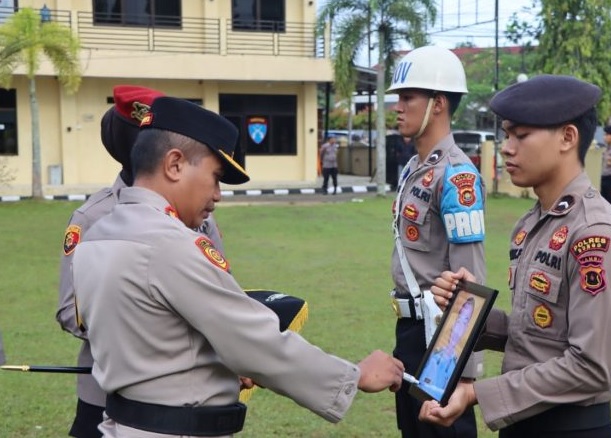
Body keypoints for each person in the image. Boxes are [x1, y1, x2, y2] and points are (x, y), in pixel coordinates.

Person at [72, 96, 404, 437]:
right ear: (174, 164)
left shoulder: (97, 236)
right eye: (215, 177)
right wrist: (356, 375)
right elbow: (253, 342)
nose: (217, 195)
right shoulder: (167, 244)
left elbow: (158, 337)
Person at [419, 75, 611, 438]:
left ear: (568, 139)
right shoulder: (533, 223)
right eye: (507, 135)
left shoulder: (596, 235)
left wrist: (477, 393)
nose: (507, 147)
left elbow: (591, 368)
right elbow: (535, 336)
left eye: (521, 136)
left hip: (569, 429)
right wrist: (466, 312)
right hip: (522, 423)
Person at [386, 45, 486, 438]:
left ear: (438, 103)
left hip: (442, 340)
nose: (398, 106)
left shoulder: (457, 176)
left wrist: (464, 371)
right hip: (410, 331)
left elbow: (471, 282)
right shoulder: (416, 168)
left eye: (408, 97)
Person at [56, 85, 166, 438]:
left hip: (180, 393)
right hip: (105, 393)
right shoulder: (91, 216)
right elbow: (70, 310)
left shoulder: (197, 213)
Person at [418, 297, 475, 401]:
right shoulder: (435, 355)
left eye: (464, 321)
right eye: (459, 320)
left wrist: (469, 373)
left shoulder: (457, 363)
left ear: (467, 327)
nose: (459, 325)